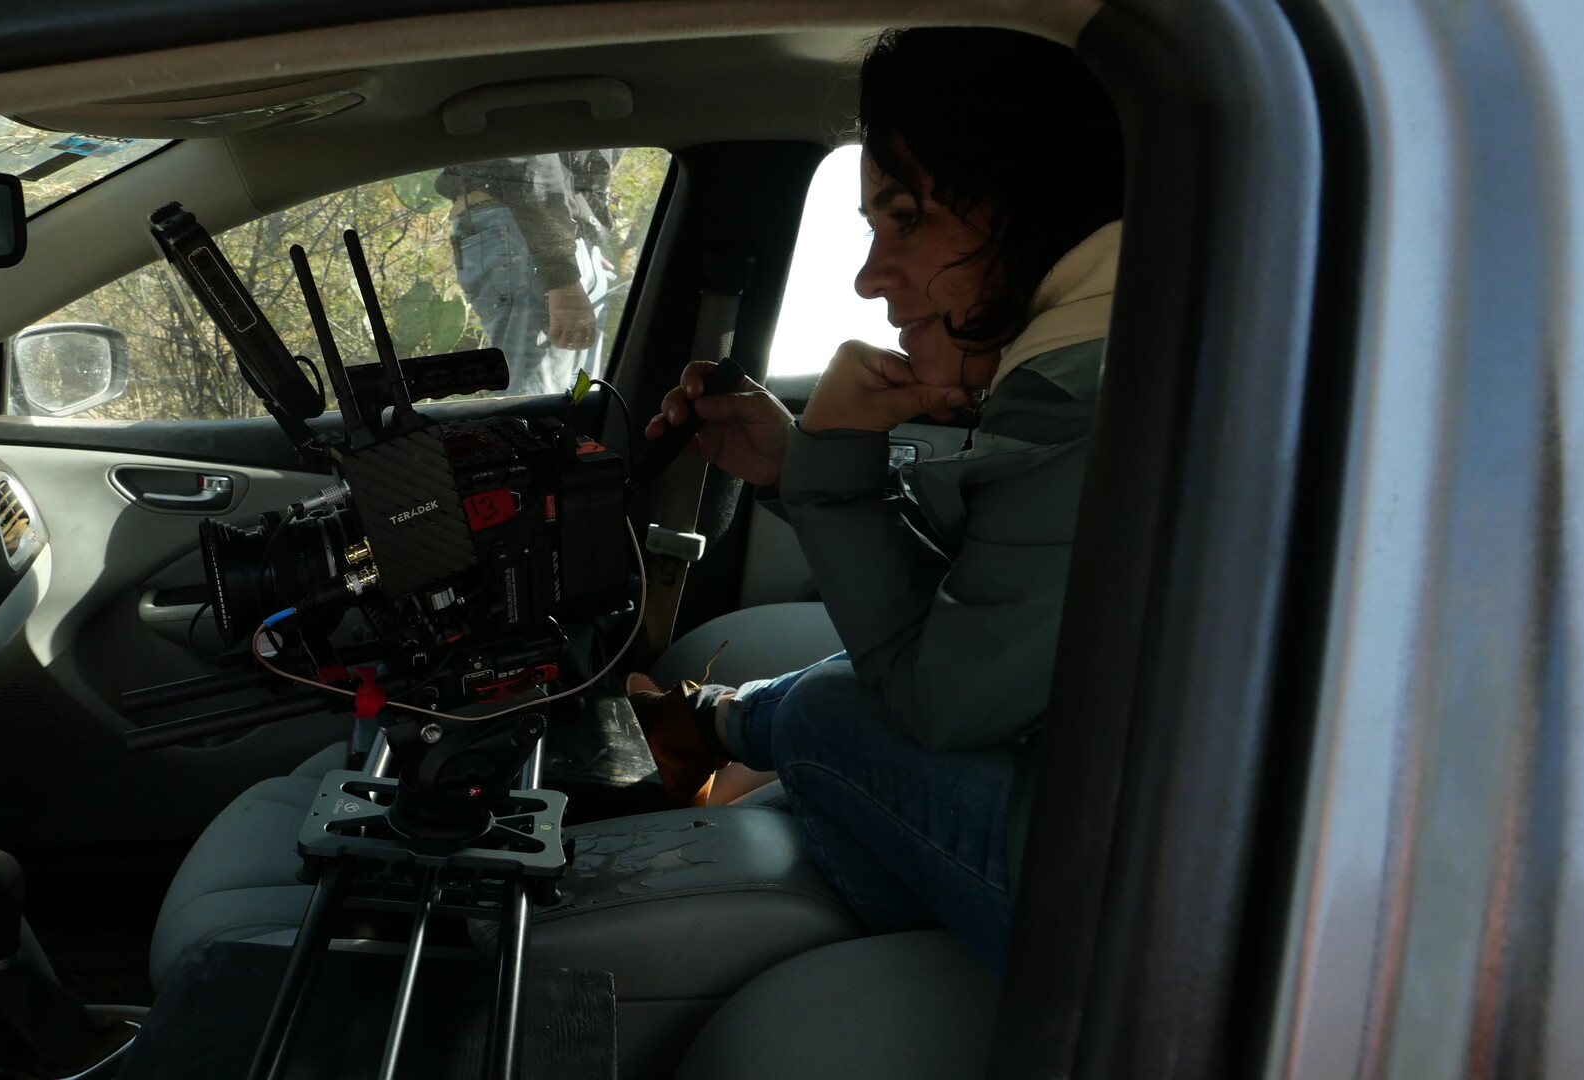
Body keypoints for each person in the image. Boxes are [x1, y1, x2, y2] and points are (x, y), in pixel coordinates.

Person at [631, 26, 1126, 973]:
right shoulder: (1115, 354)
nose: (867, 277)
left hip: (1122, 912)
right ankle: (720, 731)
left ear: (1029, 205)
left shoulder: (1084, 388)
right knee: (831, 690)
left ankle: (723, 731)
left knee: (826, 713)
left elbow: (947, 700)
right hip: (1115, 794)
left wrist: (842, 455)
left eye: (904, 218)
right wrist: (800, 467)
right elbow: (1006, 606)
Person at [436, 152, 617, 395]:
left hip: (548, 236)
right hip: (535, 231)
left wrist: (582, 247)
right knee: (548, 403)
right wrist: (563, 268)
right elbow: (527, 157)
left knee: (566, 400)